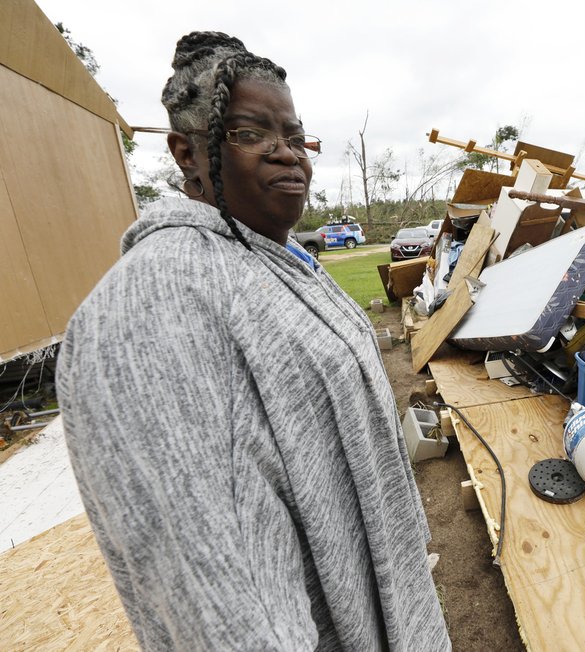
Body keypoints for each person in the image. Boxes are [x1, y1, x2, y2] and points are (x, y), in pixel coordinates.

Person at [56, 31, 450, 651]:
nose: (286, 154)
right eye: (249, 134)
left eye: (295, 137)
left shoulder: (273, 258)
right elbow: (219, 594)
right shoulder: (154, 307)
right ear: (187, 154)